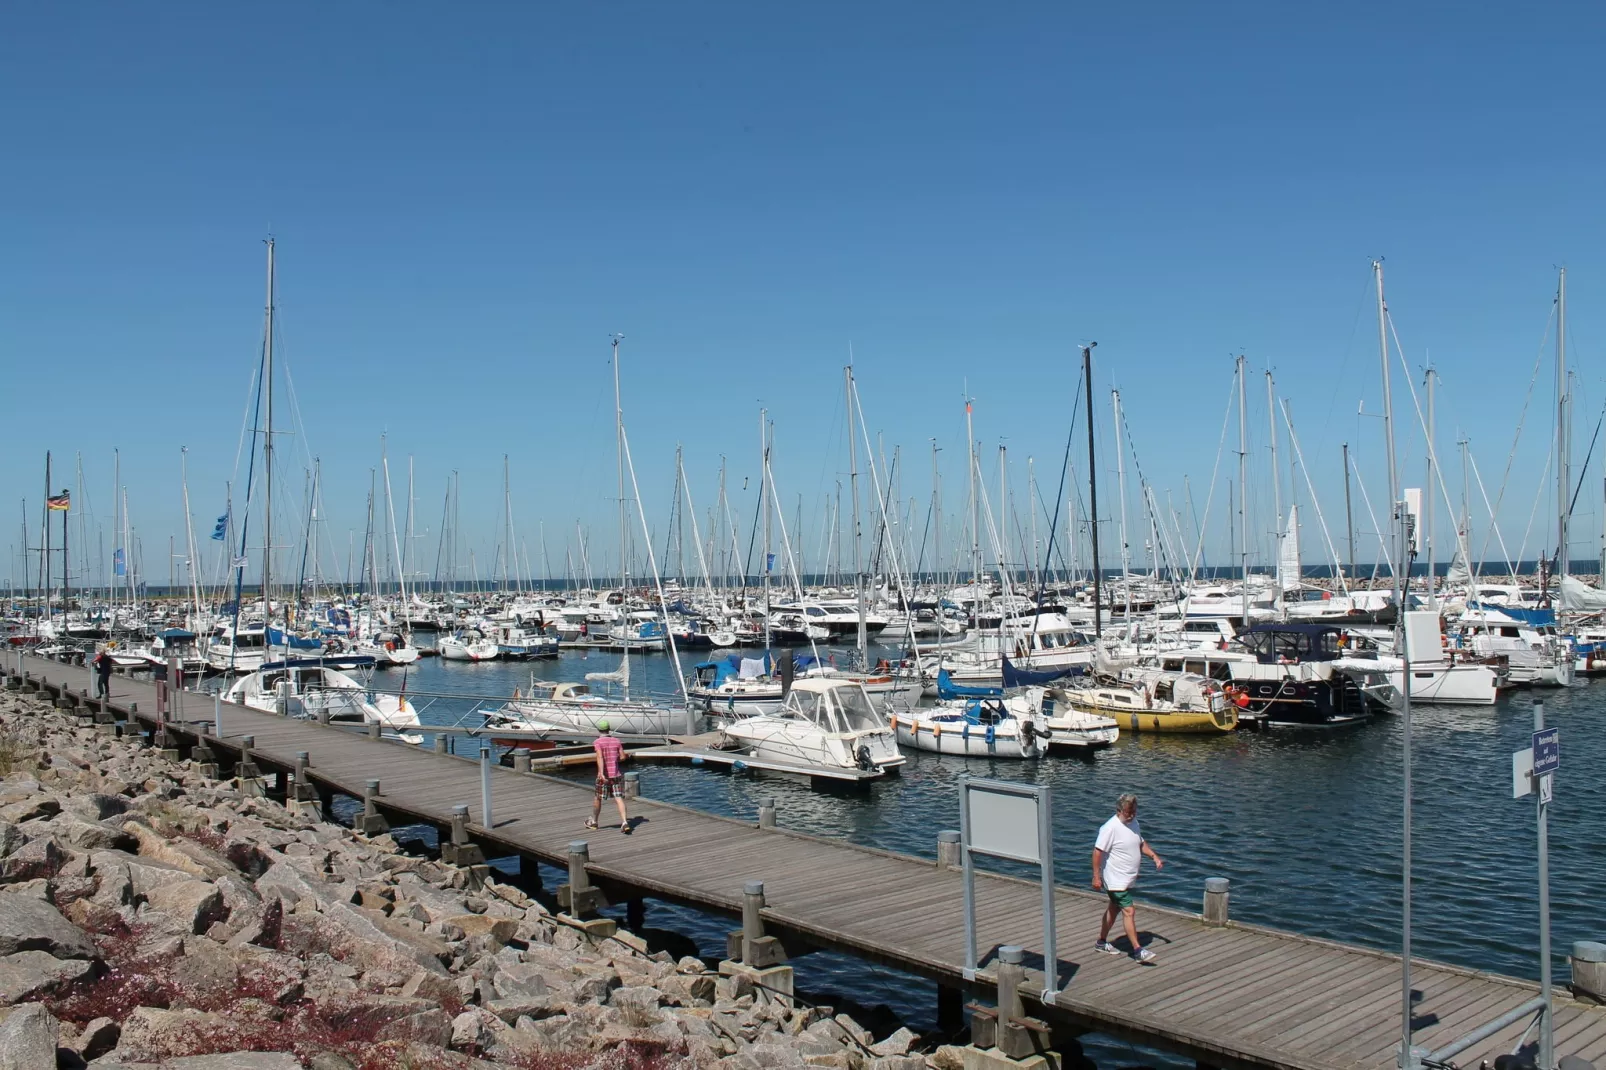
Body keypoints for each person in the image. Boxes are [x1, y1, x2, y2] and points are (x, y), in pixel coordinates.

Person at [1092, 793, 1164, 962]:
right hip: (1115, 880)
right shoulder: (1110, 828)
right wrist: (1096, 876)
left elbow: (1140, 843)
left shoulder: (1134, 823)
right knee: (1129, 910)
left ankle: (1101, 942)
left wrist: (1154, 856)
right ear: (1119, 810)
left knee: (1114, 909)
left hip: (1127, 879)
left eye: (1134, 812)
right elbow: (1097, 852)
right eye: (1128, 813)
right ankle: (1138, 950)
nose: (1131, 816)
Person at [586, 720, 630, 834]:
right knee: (618, 798)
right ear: (609, 729)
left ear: (599, 730)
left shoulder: (597, 742)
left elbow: (599, 757)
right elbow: (622, 757)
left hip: (604, 776)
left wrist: (601, 773)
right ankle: (625, 822)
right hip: (615, 774)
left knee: (598, 798)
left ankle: (594, 821)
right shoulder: (616, 741)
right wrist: (614, 759)